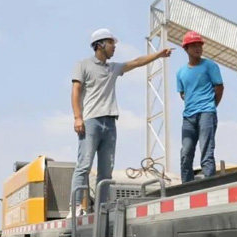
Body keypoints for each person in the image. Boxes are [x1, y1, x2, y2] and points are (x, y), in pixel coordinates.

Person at [69, 28, 173, 216]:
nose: (114, 47)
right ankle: (75, 207)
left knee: (106, 172)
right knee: (84, 165)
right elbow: (76, 91)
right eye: (111, 43)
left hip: (110, 124)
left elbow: (136, 62)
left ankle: (101, 209)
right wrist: (78, 117)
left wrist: (158, 54)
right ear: (100, 44)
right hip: (90, 121)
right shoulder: (83, 65)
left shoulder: (113, 68)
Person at [177, 31, 224, 183]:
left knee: (206, 152)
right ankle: (186, 187)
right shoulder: (180, 72)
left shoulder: (210, 66)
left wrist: (211, 106)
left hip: (206, 113)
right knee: (185, 153)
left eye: (199, 45)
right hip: (188, 116)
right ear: (186, 49)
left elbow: (219, 87)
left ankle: (210, 186)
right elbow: (183, 93)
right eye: (194, 46)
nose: (198, 48)